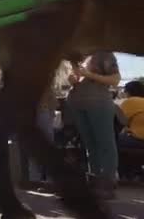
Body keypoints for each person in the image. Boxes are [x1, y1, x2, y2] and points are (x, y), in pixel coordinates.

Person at [65, 52, 121, 199]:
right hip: (78, 104)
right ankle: (95, 182)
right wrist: (73, 79)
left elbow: (115, 79)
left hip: (99, 103)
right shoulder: (79, 57)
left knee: (105, 144)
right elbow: (77, 79)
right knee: (90, 145)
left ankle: (108, 184)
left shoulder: (105, 54)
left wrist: (89, 75)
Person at [118, 80, 144, 148]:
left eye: (125, 91)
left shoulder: (130, 102)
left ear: (129, 92)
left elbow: (120, 122)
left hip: (140, 140)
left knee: (111, 140)